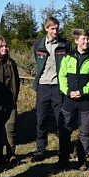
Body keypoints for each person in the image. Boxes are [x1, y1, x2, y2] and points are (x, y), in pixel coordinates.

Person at [58, 29, 89, 172]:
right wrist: (68, 92)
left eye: (88, 39)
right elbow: (62, 76)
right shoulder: (67, 57)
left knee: (85, 132)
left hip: (87, 102)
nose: (86, 42)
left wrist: (82, 92)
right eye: (83, 39)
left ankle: (82, 161)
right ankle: (63, 160)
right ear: (76, 41)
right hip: (69, 101)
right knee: (65, 132)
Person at [31, 16, 70, 162]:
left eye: (57, 28)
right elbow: (38, 63)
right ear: (46, 29)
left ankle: (63, 150)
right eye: (52, 28)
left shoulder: (64, 45)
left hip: (58, 87)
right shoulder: (38, 45)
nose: (55, 31)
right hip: (43, 86)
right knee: (41, 119)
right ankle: (41, 150)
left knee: (61, 120)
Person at [0, 35, 21, 169]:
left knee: (11, 127)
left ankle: (11, 154)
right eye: (2, 46)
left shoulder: (11, 63)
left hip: (10, 101)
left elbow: (16, 82)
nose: (5, 48)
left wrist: (15, 96)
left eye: (6, 46)